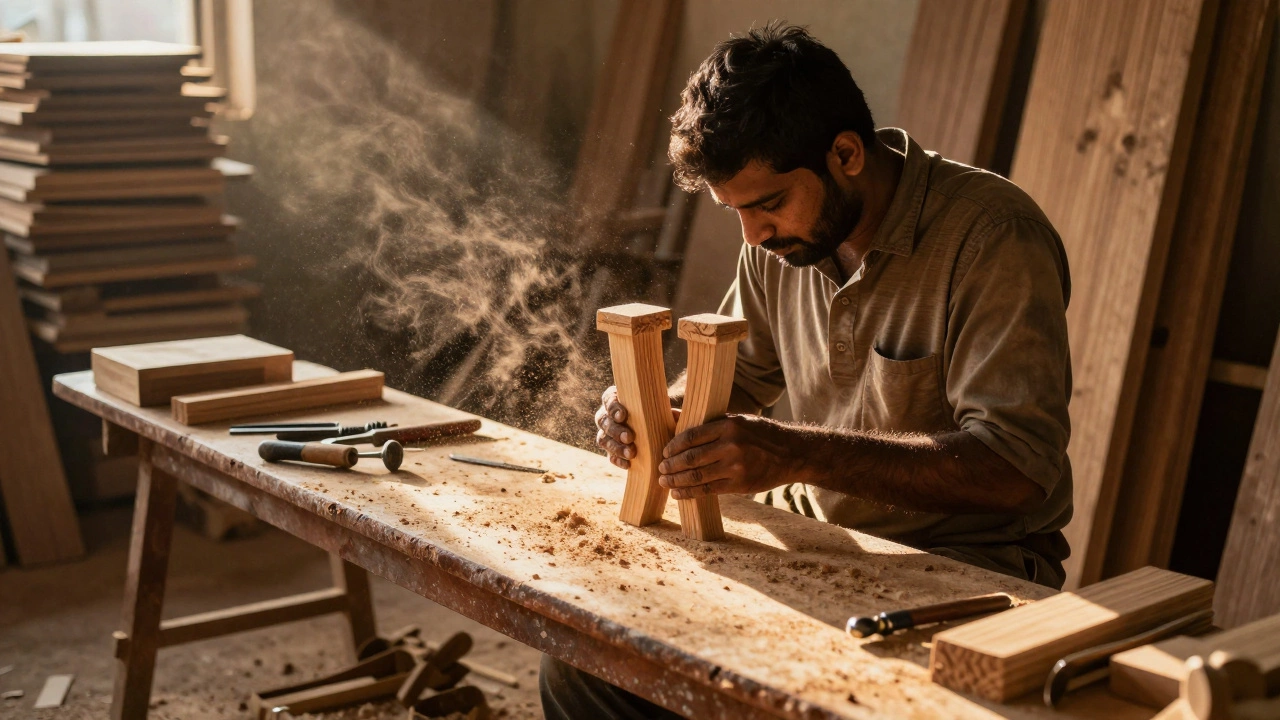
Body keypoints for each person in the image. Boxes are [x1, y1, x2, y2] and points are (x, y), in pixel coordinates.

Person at [543, 22, 1073, 719]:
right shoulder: (780, 245)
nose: (754, 236)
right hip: (813, 534)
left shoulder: (993, 238)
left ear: (846, 153)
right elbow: (735, 377)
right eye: (734, 212)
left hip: (962, 563)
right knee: (586, 664)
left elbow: (1014, 468)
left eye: (767, 204)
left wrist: (794, 453)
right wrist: (658, 411)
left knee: (811, 696)